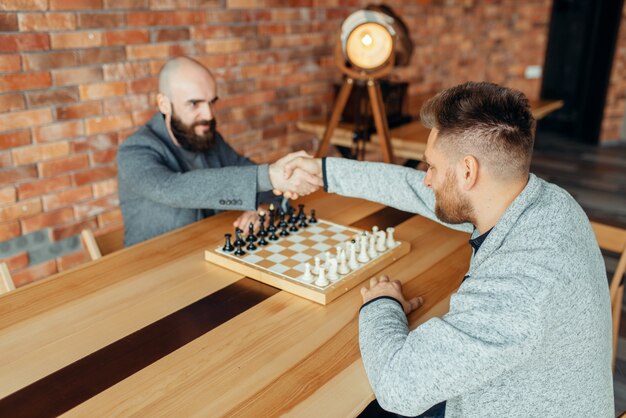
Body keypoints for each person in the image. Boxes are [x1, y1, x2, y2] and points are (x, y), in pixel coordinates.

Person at [276, 82, 613, 417]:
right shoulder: (547, 202)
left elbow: (398, 388)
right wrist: (324, 172)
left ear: (468, 171)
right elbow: (418, 191)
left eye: (431, 167)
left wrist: (382, 303)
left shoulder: (519, 284)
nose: (426, 179)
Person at [118, 56, 321, 246]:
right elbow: (173, 188)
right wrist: (268, 175)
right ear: (164, 104)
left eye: (212, 102)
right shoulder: (134, 151)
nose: (208, 114)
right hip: (153, 268)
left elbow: (254, 177)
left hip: (210, 253)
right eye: (194, 103)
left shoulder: (206, 137)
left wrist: (262, 209)